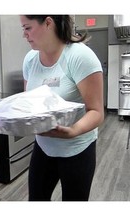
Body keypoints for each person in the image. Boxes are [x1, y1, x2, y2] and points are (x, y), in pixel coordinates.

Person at [20, 15, 104, 201]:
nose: (24, 34)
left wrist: (72, 131)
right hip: (43, 146)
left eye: (27, 28)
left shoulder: (80, 57)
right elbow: (29, 102)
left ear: (48, 23)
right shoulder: (30, 59)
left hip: (77, 148)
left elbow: (97, 112)